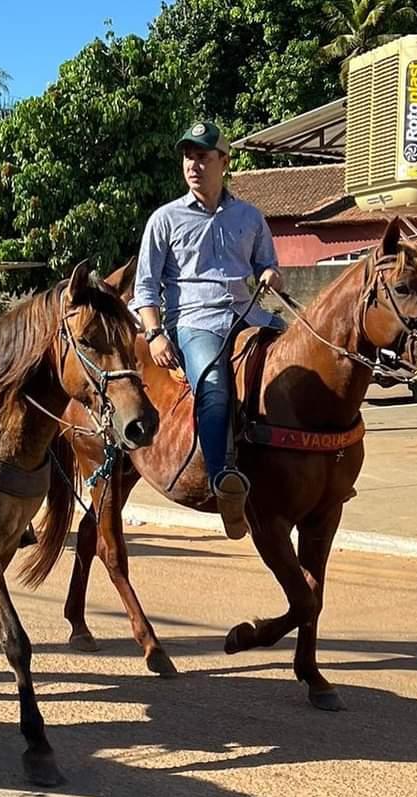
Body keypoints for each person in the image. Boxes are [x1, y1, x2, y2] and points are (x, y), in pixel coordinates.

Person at [130, 120, 286, 540]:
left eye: (202, 156)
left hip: (248, 316)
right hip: (195, 323)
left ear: (224, 162)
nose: (193, 165)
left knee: (303, 360)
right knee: (214, 386)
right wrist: (155, 334)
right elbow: (145, 287)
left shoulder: (249, 216)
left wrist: (271, 273)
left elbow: (268, 265)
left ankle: (317, 463)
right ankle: (224, 482)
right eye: (188, 157)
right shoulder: (164, 219)